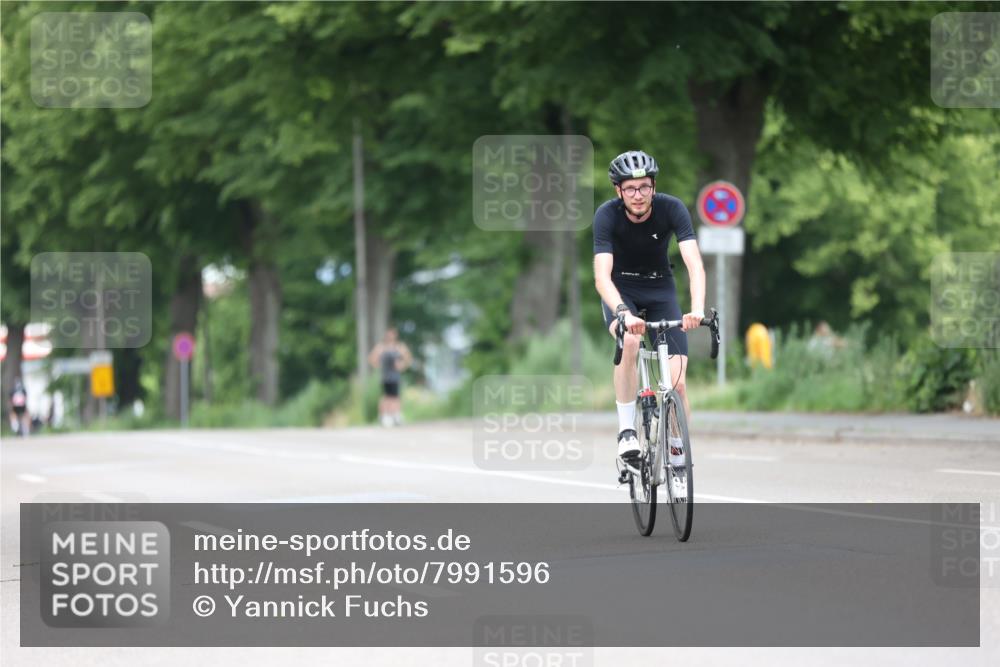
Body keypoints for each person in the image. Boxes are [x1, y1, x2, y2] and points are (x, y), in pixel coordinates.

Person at [593, 150, 706, 478]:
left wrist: (696, 308)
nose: (638, 195)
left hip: (661, 290)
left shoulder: (672, 208)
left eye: (644, 187)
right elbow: (601, 276)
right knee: (629, 342)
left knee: (677, 385)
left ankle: (677, 455)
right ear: (619, 191)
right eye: (630, 188)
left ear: (654, 187)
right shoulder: (606, 216)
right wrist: (623, 312)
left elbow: (694, 264)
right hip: (621, 291)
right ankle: (627, 433)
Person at [368, 327, 412, 427]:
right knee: (386, 396)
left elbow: (408, 357)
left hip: (395, 376)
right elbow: (371, 358)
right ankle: (384, 416)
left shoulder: (399, 347)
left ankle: (396, 415)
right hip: (385, 376)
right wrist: (378, 364)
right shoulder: (382, 347)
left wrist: (402, 365)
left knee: (396, 396)